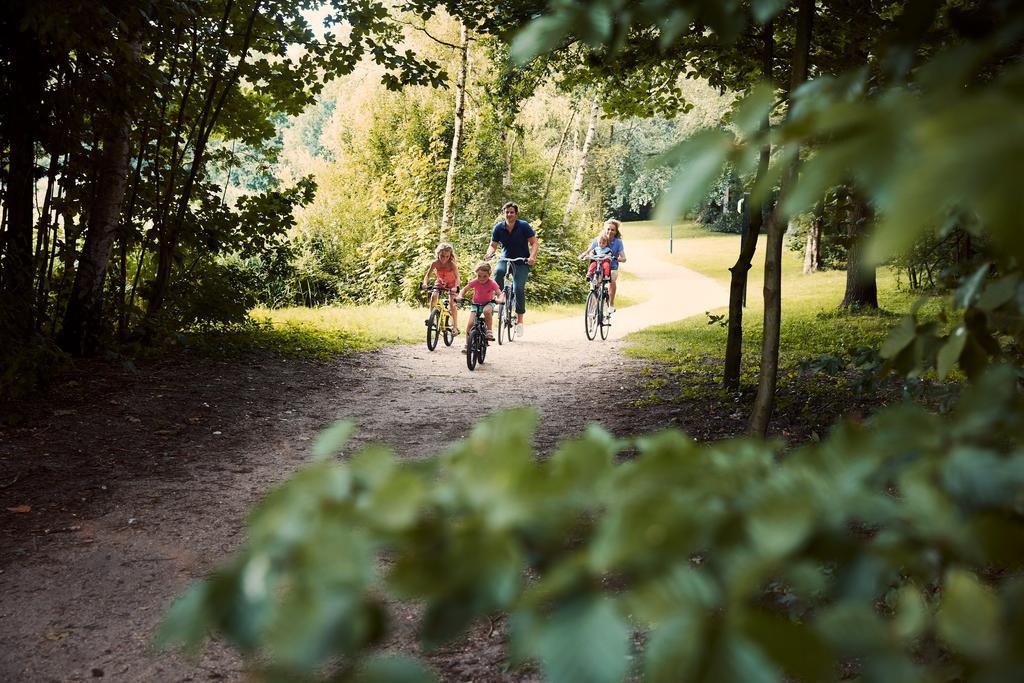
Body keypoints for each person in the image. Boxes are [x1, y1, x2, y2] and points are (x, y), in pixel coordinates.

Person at [484, 202, 538, 338]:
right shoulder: (498, 228)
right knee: (498, 272)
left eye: (512, 212)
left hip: (521, 261)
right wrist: (489, 253)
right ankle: (499, 298)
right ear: (504, 213)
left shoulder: (523, 226)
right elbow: (493, 245)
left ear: (516, 214)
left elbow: (534, 243)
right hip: (505, 258)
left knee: (518, 288)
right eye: (507, 212)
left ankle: (520, 321)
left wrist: (532, 256)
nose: (509, 214)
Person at [456, 261, 504, 352]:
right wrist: (460, 296)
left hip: (489, 303)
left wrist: (500, 300)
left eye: (485, 276)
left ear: (489, 274)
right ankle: (468, 346)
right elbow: (464, 290)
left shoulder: (492, 283)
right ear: (476, 274)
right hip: (476, 304)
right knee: (470, 324)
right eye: (479, 276)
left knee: (486, 311)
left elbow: (499, 293)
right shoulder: (475, 282)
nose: (481, 278)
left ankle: (489, 331)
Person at [421, 242, 461, 335]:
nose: (444, 259)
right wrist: (425, 283)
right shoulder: (435, 263)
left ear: (450, 256)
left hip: (452, 284)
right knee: (433, 296)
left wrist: (456, 287)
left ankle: (455, 327)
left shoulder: (451, 264)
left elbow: (457, 277)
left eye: (447, 256)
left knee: (452, 303)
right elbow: (427, 275)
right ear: (438, 254)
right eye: (442, 256)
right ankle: (431, 318)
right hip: (440, 282)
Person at [601, 219, 627, 310]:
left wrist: (616, 258)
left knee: (612, 278)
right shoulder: (599, 239)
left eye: (613, 230)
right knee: (594, 282)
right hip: (599, 267)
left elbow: (624, 258)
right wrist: (584, 255)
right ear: (605, 230)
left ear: (616, 232)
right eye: (608, 229)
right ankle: (593, 305)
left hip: (612, 267)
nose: (610, 231)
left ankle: (611, 304)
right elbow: (589, 250)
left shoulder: (618, 242)